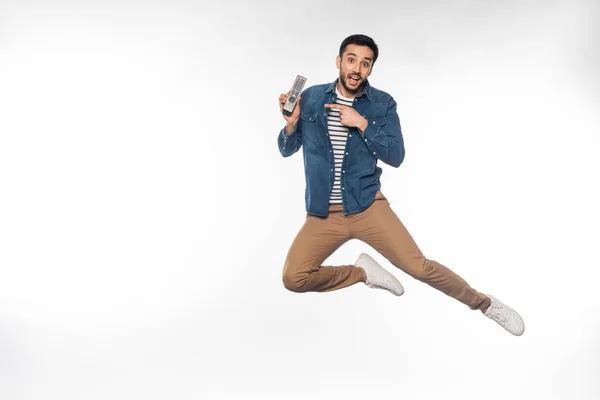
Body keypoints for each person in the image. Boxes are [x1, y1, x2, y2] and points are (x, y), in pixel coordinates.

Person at [276, 34, 525, 336]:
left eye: (365, 63)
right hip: (322, 213)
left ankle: (485, 304)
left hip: (367, 206)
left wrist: (362, 123)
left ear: (370, 69)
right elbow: (287, 149)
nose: (357, 69)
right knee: (294, 277)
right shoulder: (312, 97)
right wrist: (291, 124)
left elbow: (396, 156)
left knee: (419, 267)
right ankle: (362, 272)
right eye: (351, 60)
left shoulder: (381, 104)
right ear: (339, 61)